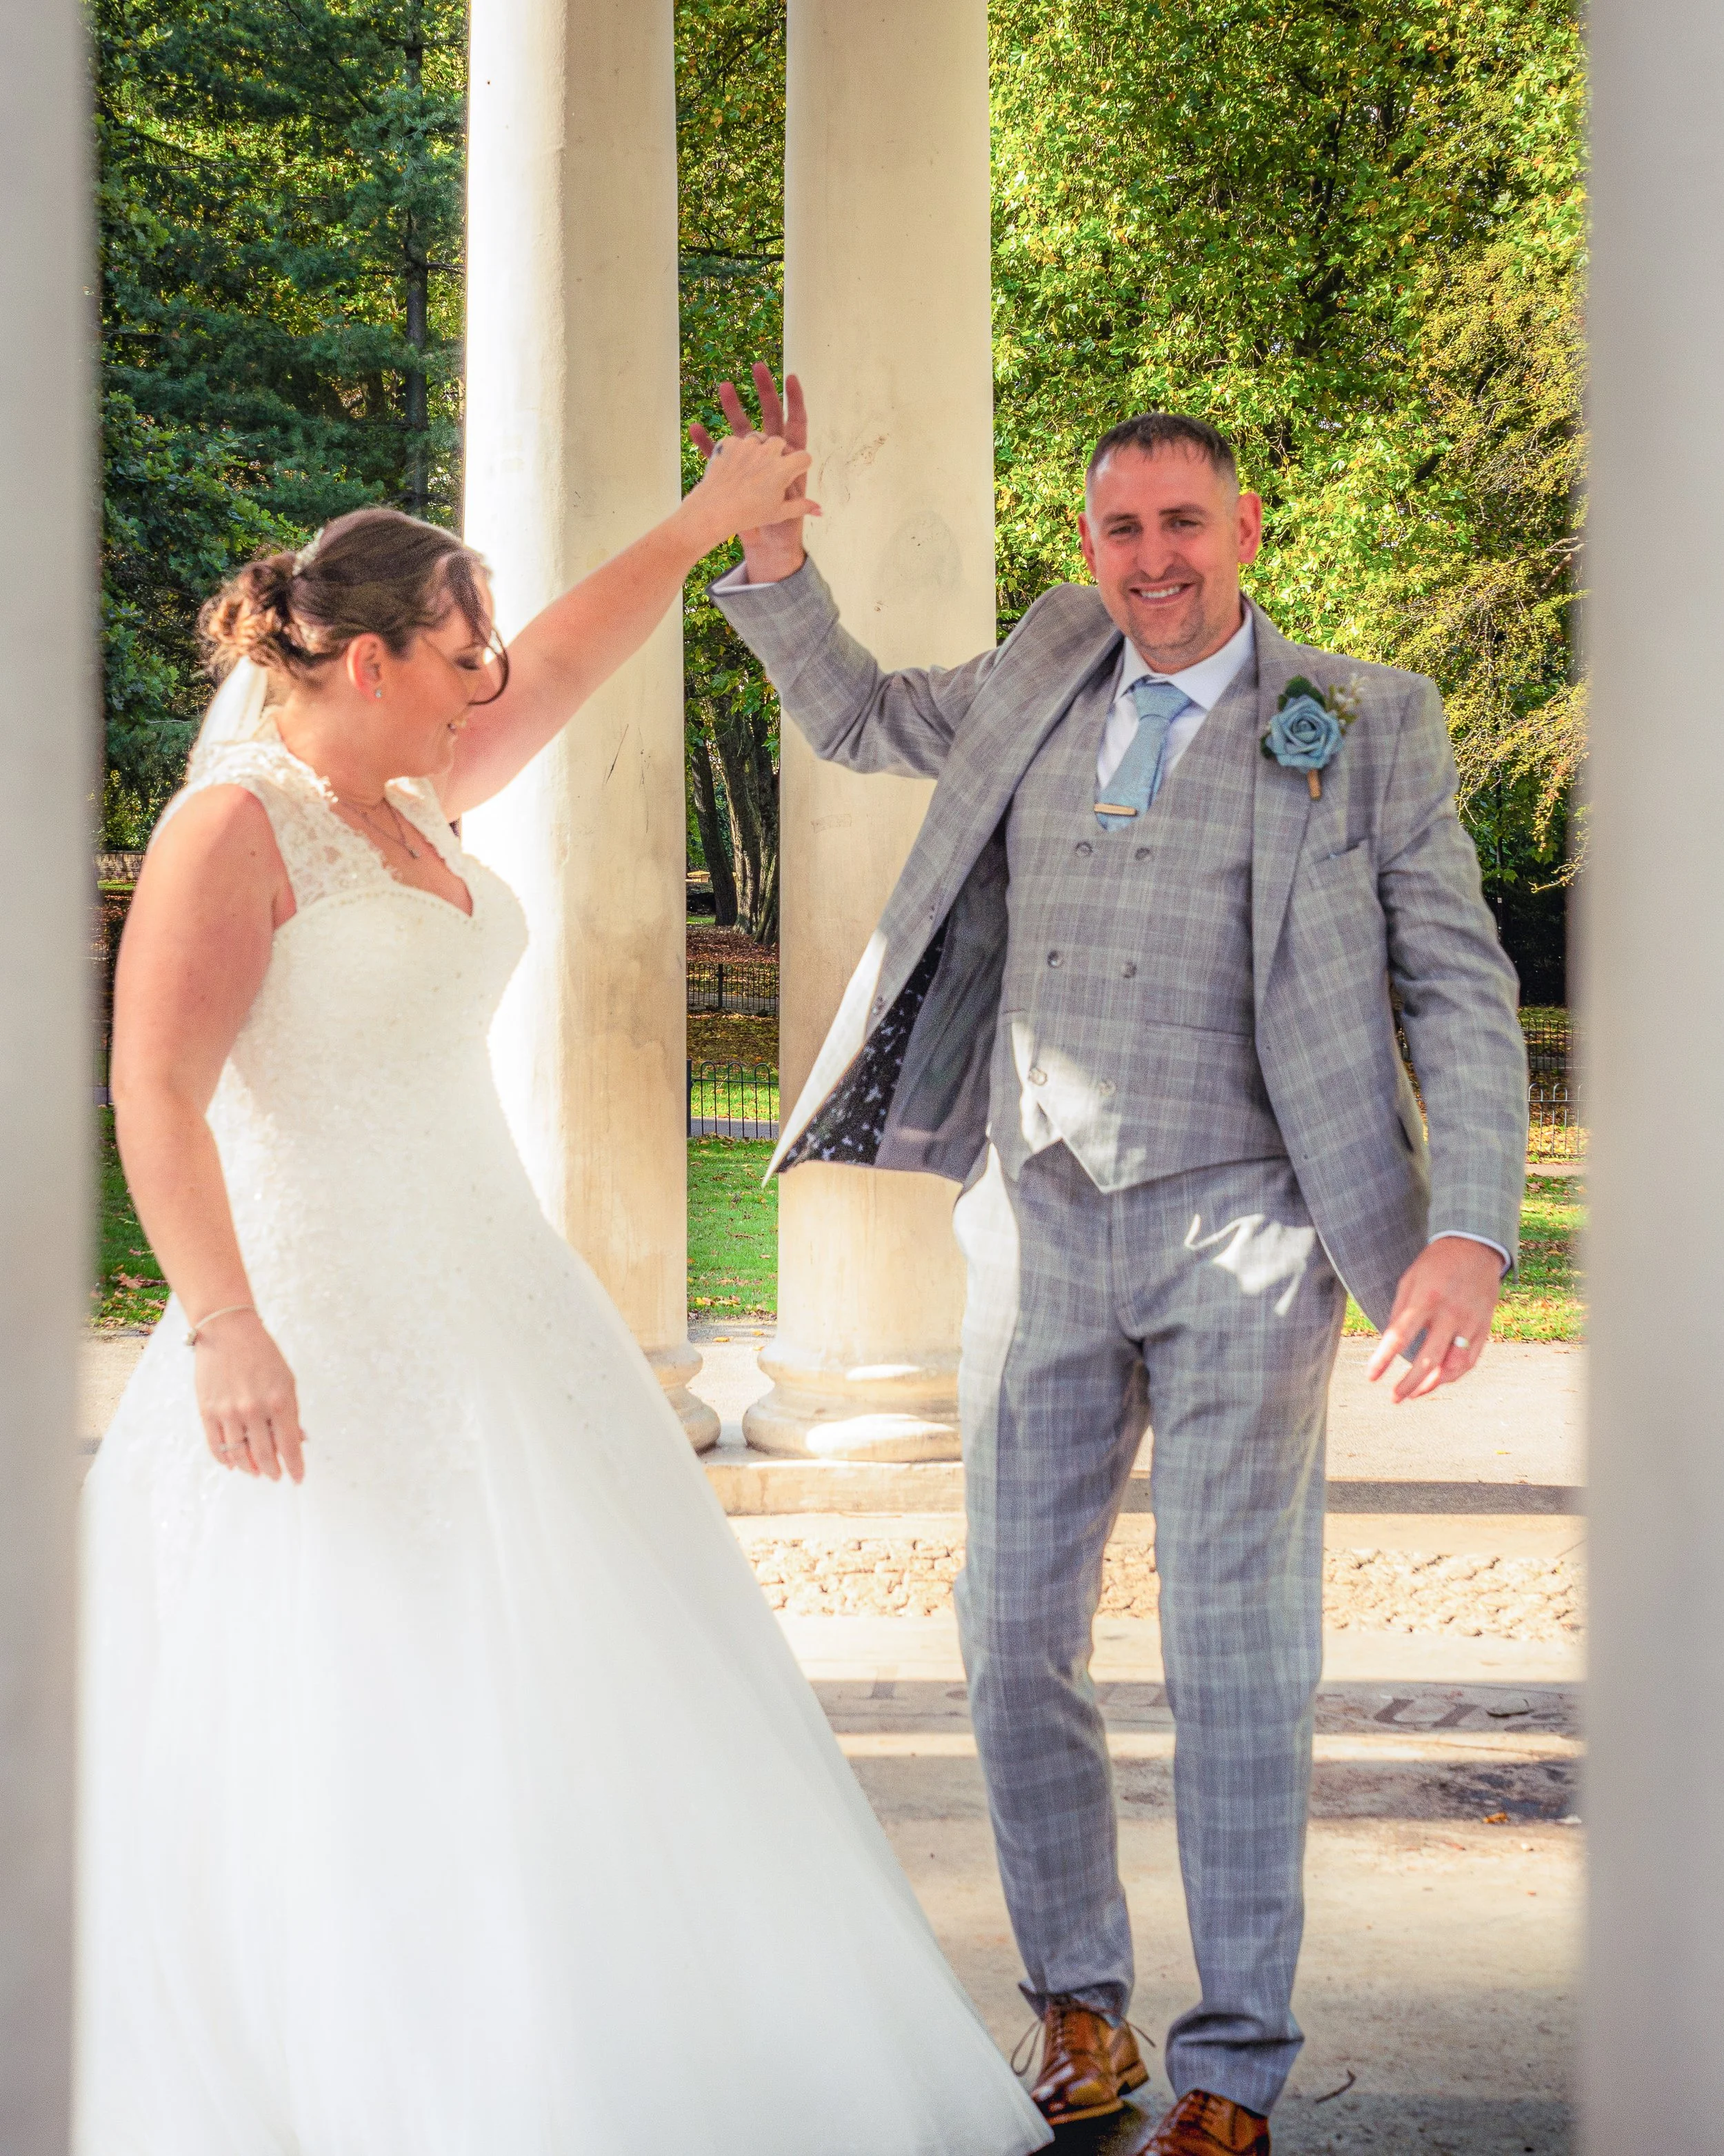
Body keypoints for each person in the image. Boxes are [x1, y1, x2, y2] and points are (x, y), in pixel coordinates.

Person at [79, 438, 1050, 2156]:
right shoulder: (237, 827)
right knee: (359, 1700)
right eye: (466, 654)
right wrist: (226, 1321)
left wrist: (705, 519)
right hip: (312, 1331)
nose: (491, 681)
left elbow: (584, 656)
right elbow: (152, 1089)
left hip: (494, 1305)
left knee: (578, 1688)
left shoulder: (415, 792)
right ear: (367, 661)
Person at [700, 368, 1528, 2156]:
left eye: (1180, 523)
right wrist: (765, 541)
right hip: (1041, 1216)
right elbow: (846, 714)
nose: (1148, 558)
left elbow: (1457, 980)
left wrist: (1464, 1224)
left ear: (1243, 531)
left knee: (1234, 1652)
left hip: (1252, 1228)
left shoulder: (1360, 717)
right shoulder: (1040, 667)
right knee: (1007, 1632)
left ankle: (1228, 2063)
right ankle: (1079, 2010)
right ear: (1086, 541)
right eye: (1117, 526)